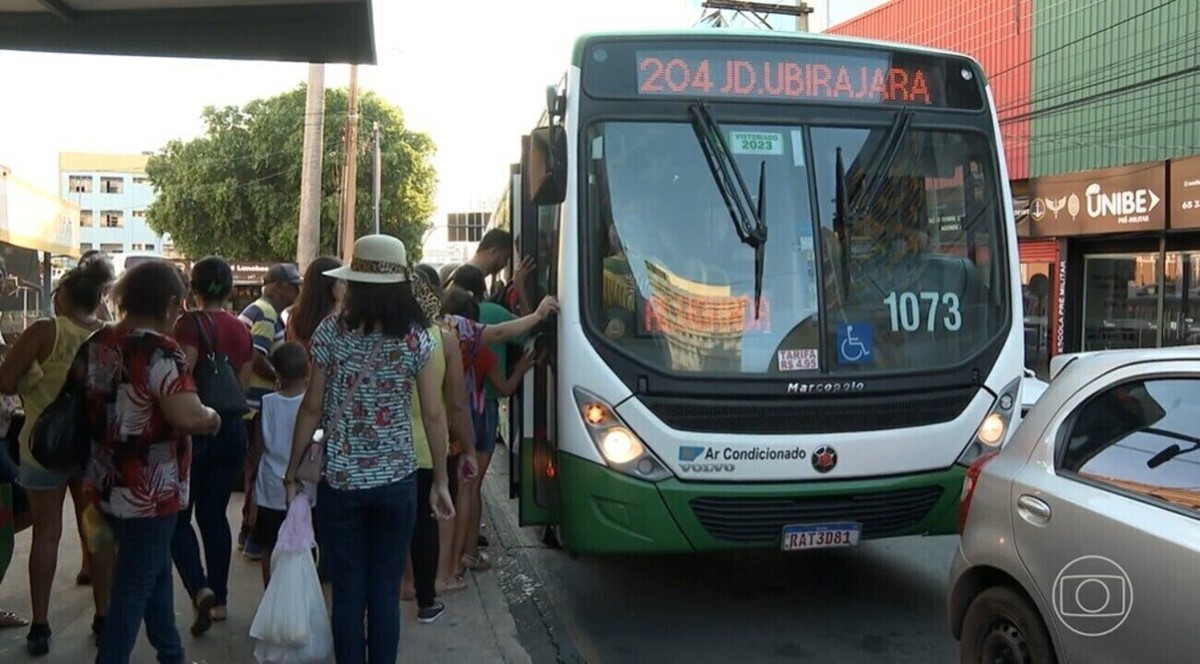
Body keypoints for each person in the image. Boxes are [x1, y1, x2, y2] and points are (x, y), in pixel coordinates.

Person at [283, 235, 455, 663]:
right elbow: (434, 415)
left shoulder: (331, 331)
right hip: (397, 482)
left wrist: (292, 472)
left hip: (341, 484)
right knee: (383, 593)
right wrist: (441, 479)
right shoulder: (418, 337)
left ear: (354, 281)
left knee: (347, 593)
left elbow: (311, 408)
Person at [73, 260, 221, 664]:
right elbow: (186, 415)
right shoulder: (160, 350)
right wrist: (214, 417)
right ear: (170, 301)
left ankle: (170, 654)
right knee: (133, 588)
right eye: (180, 304)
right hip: (149, 494)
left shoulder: (99, 341)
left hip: (102, 485)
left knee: (153, 576)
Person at [0, 255, 115, 656]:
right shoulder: (109, 336)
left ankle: (41, 627)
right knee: (96, 533)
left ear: (62, 298)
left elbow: (4, 381)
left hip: (41, 449)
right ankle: (104, 618)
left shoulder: (44, 332)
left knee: (46, 535)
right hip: (93, 453)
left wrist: (32, 376)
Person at [440, 285, 557, 584]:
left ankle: (449, 560)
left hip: (444, 423)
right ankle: (461, 558)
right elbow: (504, 386)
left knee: (452, 489)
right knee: (469, 488)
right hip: (476, 419)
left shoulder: (434, 337)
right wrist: (520, 366)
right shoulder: (478, 350)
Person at [169, 256, 253, 636]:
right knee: (215, 515)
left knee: (178, 517)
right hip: (232, 429)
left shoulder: (186, 324)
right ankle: (219, 598)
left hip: (195, 429)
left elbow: (180, 377)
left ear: (194, 288)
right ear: (231, 288)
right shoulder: (241, 327)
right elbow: (245, 384)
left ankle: (198, 585)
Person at [402, 267, 478, 621]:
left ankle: (401, 583)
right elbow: (457, 404)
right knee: (426, 521)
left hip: (385, 449)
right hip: (428, 447)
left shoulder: (372, 334)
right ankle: (426, 598)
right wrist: (470, 448)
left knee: (391, 522)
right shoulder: (443, 338)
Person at [238, 263, 302, 561]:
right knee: (257, 464)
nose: (296, 291)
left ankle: (252, 533)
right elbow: (256, 355)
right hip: (256, 403)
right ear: (275, 285)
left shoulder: (259, 310)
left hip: (255, 402)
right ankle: (252, 533)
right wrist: (281, 376)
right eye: (291, 285)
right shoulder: (264, 313)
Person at [253, 342, 312, 587]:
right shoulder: (311, 406)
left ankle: (270, 591)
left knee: (270, 545)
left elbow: (258, 448)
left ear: (276, 372)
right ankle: (301, 591)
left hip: (270, 485)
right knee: (303, 542)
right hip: (305, 486)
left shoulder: (267, 403)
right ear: (308, 371)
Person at [286, 256, 346, 351]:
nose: (346, 286)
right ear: (328, 284)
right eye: (342, 281)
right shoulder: (337, 321)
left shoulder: (295, 316)